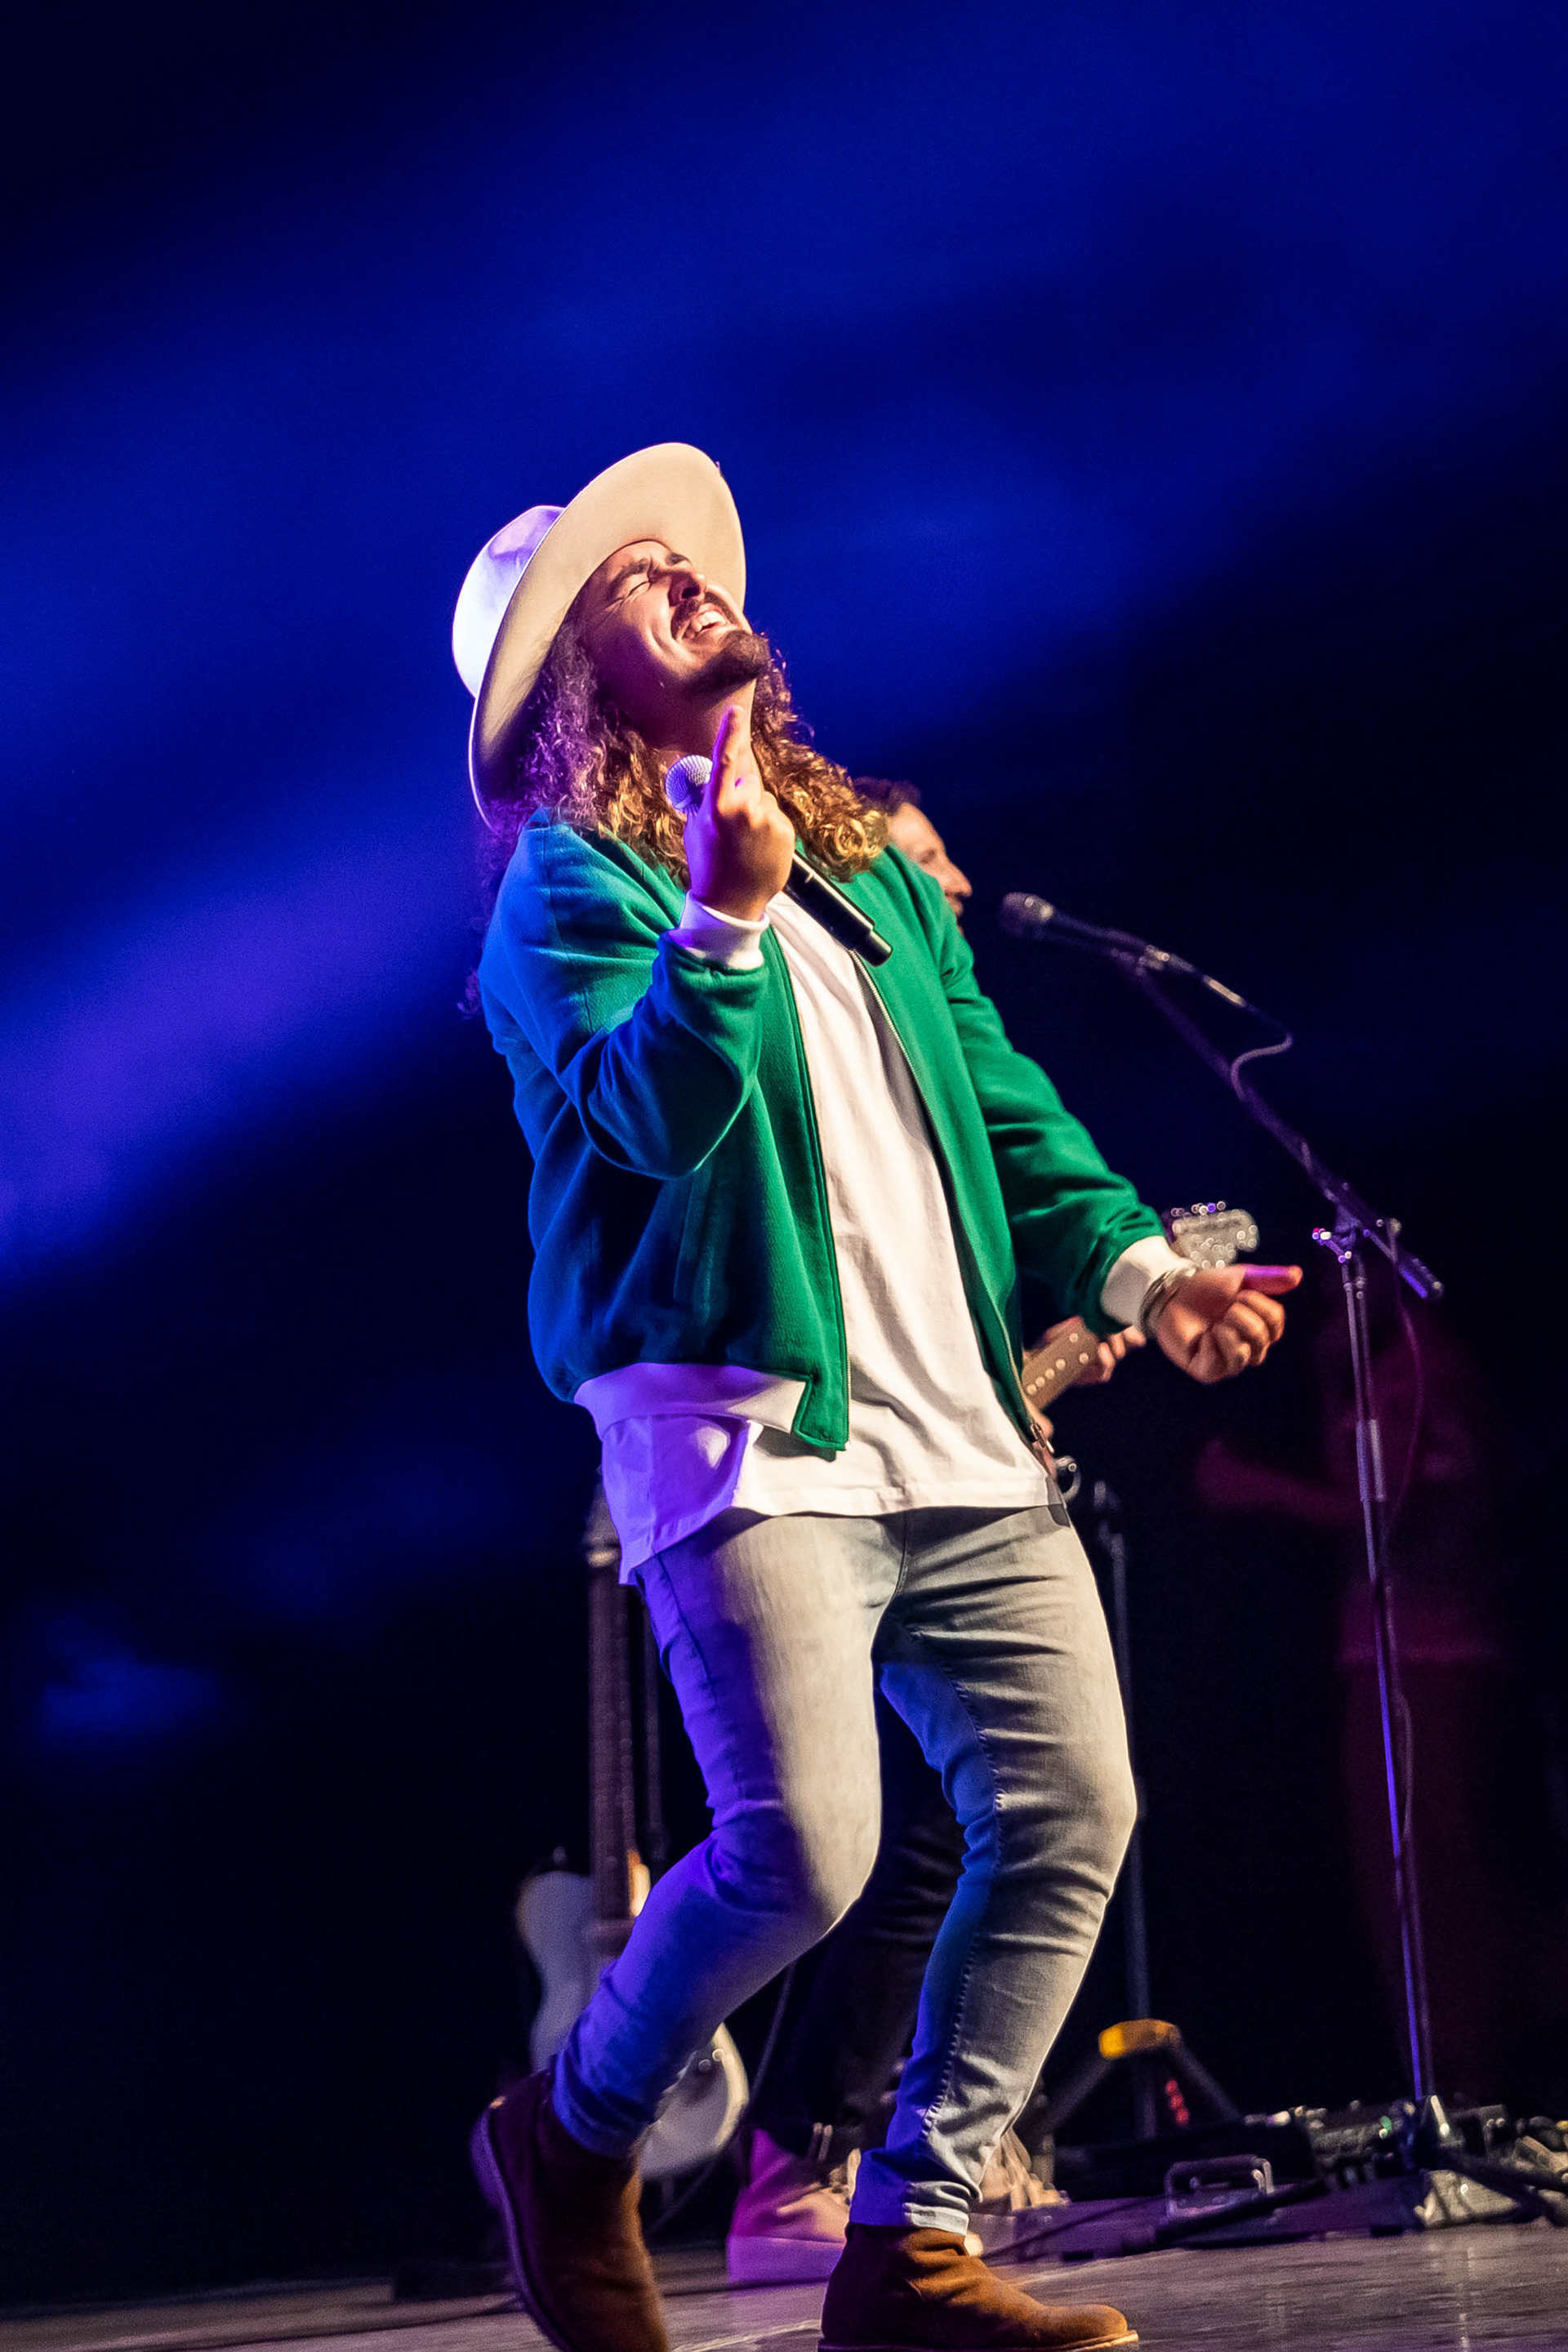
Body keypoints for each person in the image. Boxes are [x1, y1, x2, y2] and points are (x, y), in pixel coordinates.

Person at [453, 443, 1300, 2352]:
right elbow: (651, 1122)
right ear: (578, 672)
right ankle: (570, 2138)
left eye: (689, 561)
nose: (690, 581)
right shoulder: (573, 893)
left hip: (966, 1441)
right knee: (806, 1854)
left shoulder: (862, 872)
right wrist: (719, 922)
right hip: (749, 1444)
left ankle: (911, 2242)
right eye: (636, 579)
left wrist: (1143, 1273)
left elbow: (1004, 1107)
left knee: (1072, 1810)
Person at [726, 777, 1139, 2286]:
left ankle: (912, 2201)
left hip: (949, 1473)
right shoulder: (735, 926)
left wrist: (1138, 1277)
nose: (952, 881)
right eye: (925, 853)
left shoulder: (919, 987)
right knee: (845, 1849)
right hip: (796, 1474)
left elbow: (1005, 1130)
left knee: (1036, 1818)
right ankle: (786, 2159)